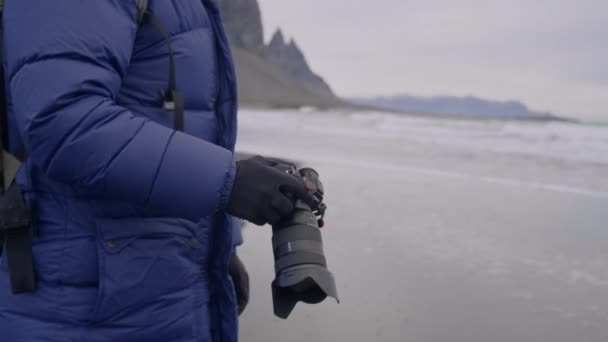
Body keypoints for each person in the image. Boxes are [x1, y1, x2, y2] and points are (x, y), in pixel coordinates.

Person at [0, 1, 313, 341]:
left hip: (161, 289)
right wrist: (231, 181)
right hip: (81, 307)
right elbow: (65, 123)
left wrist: (218, 245)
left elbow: (174, 126)